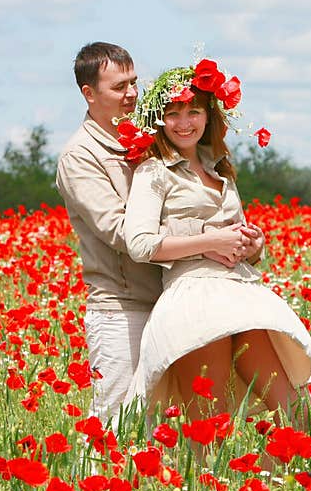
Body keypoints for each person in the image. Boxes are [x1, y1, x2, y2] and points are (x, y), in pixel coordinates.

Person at [120, 58, 311, 436]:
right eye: (173, 113)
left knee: (298, 413)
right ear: (159, 120)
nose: (184, 122)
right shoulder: (154, 170)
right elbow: (139, 244)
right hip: (194, 299)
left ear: (208, 115)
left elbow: (239, 233)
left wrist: (254, 243)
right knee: (211, 430)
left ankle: (274, 489)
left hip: (242, 292)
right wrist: (210, 242)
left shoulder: (219, 168)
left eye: (193, 111)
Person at [56, 42, 236, 428]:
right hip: (123, 307)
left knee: (165, 426)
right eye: (119, 87)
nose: (132, 94)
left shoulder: (148, 138)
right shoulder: (81, 156)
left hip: (171, 301)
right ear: (89, 94)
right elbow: (123, 233)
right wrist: (209, 238)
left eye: (134, 83)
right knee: (116, 422)